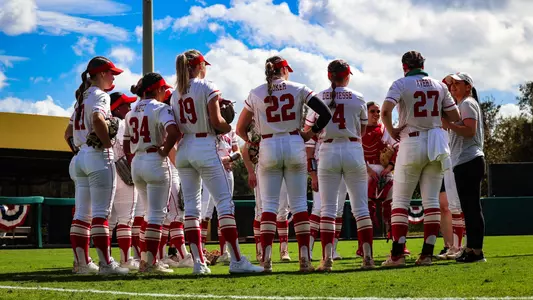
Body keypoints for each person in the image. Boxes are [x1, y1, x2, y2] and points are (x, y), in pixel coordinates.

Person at [236, 55, 332, 273]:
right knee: (298, 205)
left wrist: (253, 140)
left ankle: (267, 260)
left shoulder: (256, 92)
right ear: (285, 70)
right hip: (294, 142)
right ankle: (305, 259)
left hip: (269, 144)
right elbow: (325, 113)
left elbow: (240, 128)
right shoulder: (298, 88)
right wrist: (310, 132)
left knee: (268, 206)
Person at [171, 49, 263, 274]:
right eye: (204, 65)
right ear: (199, 65)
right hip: (204, 145)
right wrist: (227, 126)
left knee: (192, 208)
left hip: (185, 149)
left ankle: (198, 263)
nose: (206, 68)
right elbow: (217, 121)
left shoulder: (175, 93)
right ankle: (237, 261)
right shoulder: (207, 86)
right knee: (224, 204)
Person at [380, 51, 460, 267]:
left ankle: (397, 255)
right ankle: (426, 254)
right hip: (436, 141)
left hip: (412, 141)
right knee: (431, 201)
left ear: (404, 66)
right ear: (423, 64)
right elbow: (455, 117)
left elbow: (385, 111)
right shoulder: (439, 85)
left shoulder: (400, 83)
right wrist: (433, 119)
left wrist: (392, 130)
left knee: (400, 201)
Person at [311, 59, 374, 271]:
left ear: (329, 75)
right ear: (347, 75)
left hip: (327, 150)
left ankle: (326, 259)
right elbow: (363, 130)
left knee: (328, 208)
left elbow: (311, 128)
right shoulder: (358, 97)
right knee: (361, 207)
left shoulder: (319, 96)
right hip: (353, 149)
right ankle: (368, 258)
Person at [70, 56, 129, 275]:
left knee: (82, 214)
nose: (114, 77)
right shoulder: (100, 95)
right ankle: (106, 264)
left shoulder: (80, 99)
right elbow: (97, 118)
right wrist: (107, 144)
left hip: (81, 155)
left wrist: (81, 146)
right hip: (97, 155)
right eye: (112, 73)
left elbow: (68, 133)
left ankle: (82, 264)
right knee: (100, 214)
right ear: (102, 73)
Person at [124, 72, 179, 273]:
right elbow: (173, 132)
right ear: (156, 89)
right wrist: (164, 151)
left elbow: (126, 143)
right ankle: (151, 262)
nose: (165, 92)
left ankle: (144, 260)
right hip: (154, 159)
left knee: (147, 214)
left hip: (137, 161)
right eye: (163, 89)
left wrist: (137, 158)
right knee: (156, 214)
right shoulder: (160, 107)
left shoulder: (131, 112)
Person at [441, 72, 486, 263]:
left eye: (457, 83)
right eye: (451, 84)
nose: (452, 87)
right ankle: (471, 248)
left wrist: (448, 124)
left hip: (469, 160)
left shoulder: (467, 103)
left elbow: (469, 130)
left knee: (472, 208)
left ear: (468, 86)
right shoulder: (463, 104)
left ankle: (476, 251)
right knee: (469, 208)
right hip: (465, 161)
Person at [361, 102, 410, 256]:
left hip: (384, 172)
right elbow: (354, 152)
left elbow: (397, 146)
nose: (376, 114)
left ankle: (399, 244)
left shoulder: (384, 129)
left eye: (378, 111)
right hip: (365, 172)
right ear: (365, 113)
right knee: (365, 211)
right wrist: (368, 170)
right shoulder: (358, 130)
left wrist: (389, 167)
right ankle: (363, 246)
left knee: (392, 209)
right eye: (372, 111)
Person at [304, 114, 348, 261]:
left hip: (342, 167)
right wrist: (313, 175)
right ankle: (308, 250)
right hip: (322, 168)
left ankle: (332, 250)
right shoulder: (316, 124)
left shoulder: (345, 123)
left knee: (339, 211)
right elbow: (309, 153)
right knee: (318, 208)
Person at [107, 92, 139, 270]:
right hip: (123, 171)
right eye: (126, 105)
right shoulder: (121, 123)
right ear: (118, 108)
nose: (129, 108)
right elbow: (130, 148)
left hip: (108, 171)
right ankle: (126, 259)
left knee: (109, 220)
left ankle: (107, 260)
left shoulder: (107, 122)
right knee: (126, 219)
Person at [199, 129, 241, 265]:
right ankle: (201, 252)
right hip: (209, 170)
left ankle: (224, 252)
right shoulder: (208, 127)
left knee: (226, 210)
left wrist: (228, 159)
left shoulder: (230, 131)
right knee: (205, 213)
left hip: (227, 171)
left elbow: (238, 152)